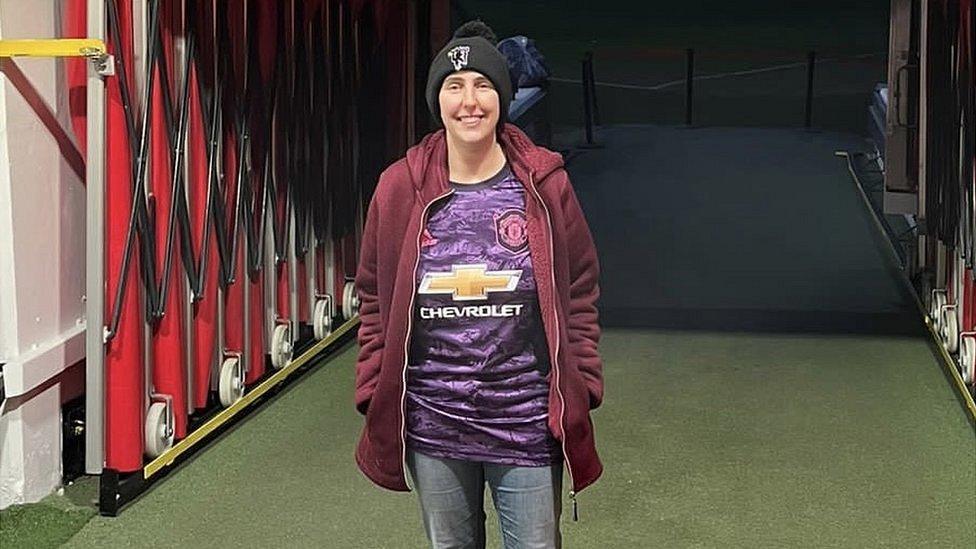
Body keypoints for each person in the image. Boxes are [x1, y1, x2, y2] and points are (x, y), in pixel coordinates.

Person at [353, 20, 603, 549]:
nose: (470, 101)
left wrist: (583, 379)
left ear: (503, 97)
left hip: (526, 420)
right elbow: (373, 296)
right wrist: (375, 383)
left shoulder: (543, 184)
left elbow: (579, 287)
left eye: (483, 85)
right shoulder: (399, 187)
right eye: (454, 85)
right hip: (434, 421)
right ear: (437, 100)